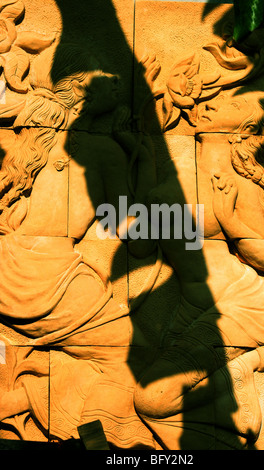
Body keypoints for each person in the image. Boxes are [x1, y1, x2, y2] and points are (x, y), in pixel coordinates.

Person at [0, 44, 158, 448]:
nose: (118, 83)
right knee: (132, 359)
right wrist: (142, 155)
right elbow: (136, 241)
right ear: (80, 90)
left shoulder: (35, 141)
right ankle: (96, 440)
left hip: (10, 264)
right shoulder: (101, 151)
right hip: (50, 279)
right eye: (107, 78)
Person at [133, 91, 264, 449]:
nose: (209, 104)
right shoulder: (172, 179)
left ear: (243, 130)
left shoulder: (238, 186)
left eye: (231, 105)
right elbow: (141, 248)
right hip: (192, 311)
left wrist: (226, 217)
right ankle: (241, 369)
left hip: (241, 305)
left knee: (150, 398)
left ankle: (246, 365)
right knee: (148, 402)